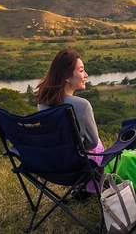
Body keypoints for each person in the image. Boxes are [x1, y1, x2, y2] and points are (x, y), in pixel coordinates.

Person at [35, 48, 104, 197]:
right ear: (66, 76)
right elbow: (91, 144)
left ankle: (83, 188)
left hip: (49, 167)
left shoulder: (42, 102)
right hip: (77, 168)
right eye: (81, 71)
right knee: (97, 144)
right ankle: (89, 188)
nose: (86, 75)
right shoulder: (82, 105)